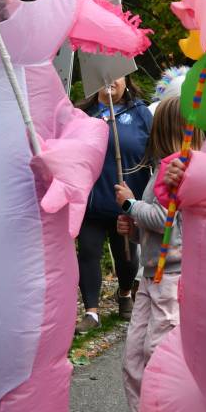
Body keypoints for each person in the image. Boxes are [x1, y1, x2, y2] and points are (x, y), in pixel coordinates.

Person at [113, 95, 203, 412]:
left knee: (158, 354)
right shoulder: (161, 171)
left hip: (171, 277)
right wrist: (133, 227)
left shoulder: (182, 170)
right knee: (134, 357)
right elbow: (157, 229)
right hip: (150, 276)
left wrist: (130, 205)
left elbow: (168, 223)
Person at [75, 76, 152, 332]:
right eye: (104, 75)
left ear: (127, 79)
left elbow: (155, 153)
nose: (110, 80)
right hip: (91, 201)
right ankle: (92, 312)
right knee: (88, 251)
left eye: (116, 76)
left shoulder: (140, 113)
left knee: (127, 258)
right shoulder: (83, 114)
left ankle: (125, 292)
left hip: (126, 204)